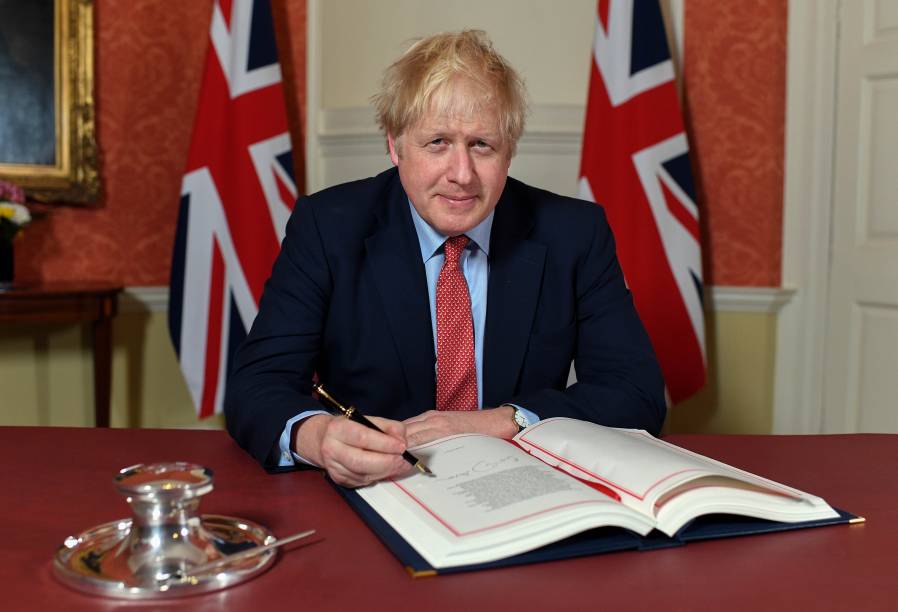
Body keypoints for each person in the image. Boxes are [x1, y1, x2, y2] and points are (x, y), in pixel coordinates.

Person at [225, 30, 665, 487]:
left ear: (509, 151)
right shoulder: (328, 227)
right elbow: (255, 384)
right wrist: (318, 437)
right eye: (437, 142)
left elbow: (635, 394)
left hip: (522, 489)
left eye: (482, 145)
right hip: (379, 490)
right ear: (395, 146)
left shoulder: (574, 233)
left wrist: (501, 422)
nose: (461, 175)